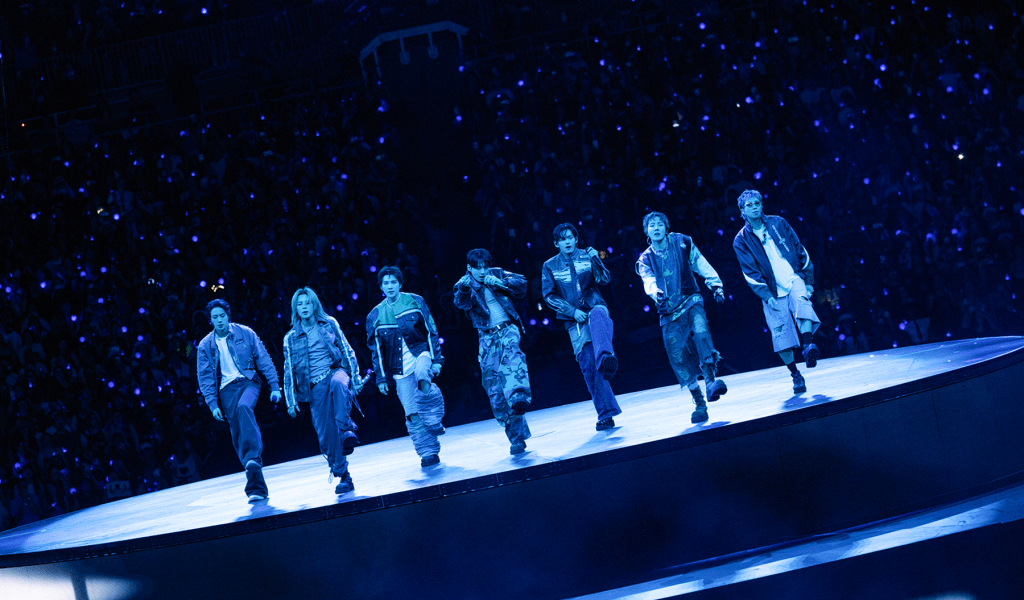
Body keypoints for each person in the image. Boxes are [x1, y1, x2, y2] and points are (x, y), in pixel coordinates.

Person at [636, 211, 727, 423]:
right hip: (668, 312)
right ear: (646, 231)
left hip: (690, 299)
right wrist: (656, 292)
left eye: (660, 224)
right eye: (652, 225)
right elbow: (647, 280)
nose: (656, 228)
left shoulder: (682, 242)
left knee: (701, 332)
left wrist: (716, 285)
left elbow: (700, 263)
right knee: (678, 356)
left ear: (666, 227)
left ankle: (711, 381)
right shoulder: (645, 258)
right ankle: (699, 402)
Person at [732, 190, 821, 394]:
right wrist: (766, 296)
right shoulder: (741, 240)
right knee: (781, 335)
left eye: (757, 203)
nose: (755, 207)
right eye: (749, 205)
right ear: (742, 210)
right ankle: (795, 375)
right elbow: (750, 271)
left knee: (803, 304)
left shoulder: (778, 223)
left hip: (793, 277)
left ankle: (808, 347)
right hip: (771, 291)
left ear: (762, 205)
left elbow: (799, 249)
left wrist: (808, 280)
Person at [196, 299, 281, 502]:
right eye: (215, 317)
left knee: (244, 407)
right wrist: (212, 404)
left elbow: (264, 359)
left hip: (248, 382)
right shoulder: (205, 345)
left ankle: (252, 457)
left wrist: (275, 386)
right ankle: (256, 487)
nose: (219, 320)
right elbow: (205, 377)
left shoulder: (245, 333)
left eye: (222, 316)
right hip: (226, 391)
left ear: (228, 316)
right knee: (236, 432)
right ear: (210, 320)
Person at [282, 287, 363, 495]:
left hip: (335, 372)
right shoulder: (290, 338)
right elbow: (289, 371)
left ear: (314, 305)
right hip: (315, 387)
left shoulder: (328, 323)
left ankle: (346, 429)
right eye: (300, 304)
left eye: (307, 303)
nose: (304, 307)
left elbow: (346, 349)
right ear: (295, 309)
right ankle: (343, 474)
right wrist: (290, 401)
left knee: (339, 385)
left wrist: (355, 377)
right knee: (326, 435)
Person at [541, 223, 622, 430]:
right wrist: (572, 312)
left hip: (596, 308)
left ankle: (607, 358)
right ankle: (606, 414)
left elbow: (605, 279)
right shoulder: (550, 265)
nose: (567, 242)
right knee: (588, 364)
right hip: (575, 320)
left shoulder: (587, 255)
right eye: (563, 239)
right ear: (556, 243)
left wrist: (596, 258)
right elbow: (548, 295)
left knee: (597, 314)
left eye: (570, 237)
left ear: (576, 239)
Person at [453, 248, 532, 455]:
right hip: (487, 338)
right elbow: (461, 303)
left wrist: (500, 282)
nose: (482, 271)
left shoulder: (497, 273)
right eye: (478, 268)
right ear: (469, 268)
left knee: (512, 357)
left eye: (485, 267)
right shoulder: (464, 284)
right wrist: (464, 289)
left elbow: (522, 283)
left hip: (507, 329)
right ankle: (516, 437)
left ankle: (519, 395)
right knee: (495, 390)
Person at [366, 266, 447, 467]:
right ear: (381, 286)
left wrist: (437, 360)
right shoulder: (375, 315)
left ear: (400, 284)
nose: (390, 286)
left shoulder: (415, 301)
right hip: (399, 368)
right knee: (411, 414)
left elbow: (431, 331)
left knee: (422, 375)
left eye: (393, 282)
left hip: (421, 353)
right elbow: (377, 351)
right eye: (386, 283)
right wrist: (381, 379)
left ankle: (433, 419)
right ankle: (428, 452)